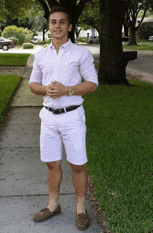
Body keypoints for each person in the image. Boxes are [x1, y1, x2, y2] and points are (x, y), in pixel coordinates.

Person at [29, 6, 98, 230]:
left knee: (77, 165)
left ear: (69, 26)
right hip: (48, 117)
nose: (57, 26)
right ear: (49, 26)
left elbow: (92, 84)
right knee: (52, 163)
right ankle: (53, 205)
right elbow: (33, 85)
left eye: (61, 22)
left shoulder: (81, 53)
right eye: (53, 22)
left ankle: (80, 208)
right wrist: (46, 89)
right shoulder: (41, 54)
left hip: (72, 117)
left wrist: (67, 90)